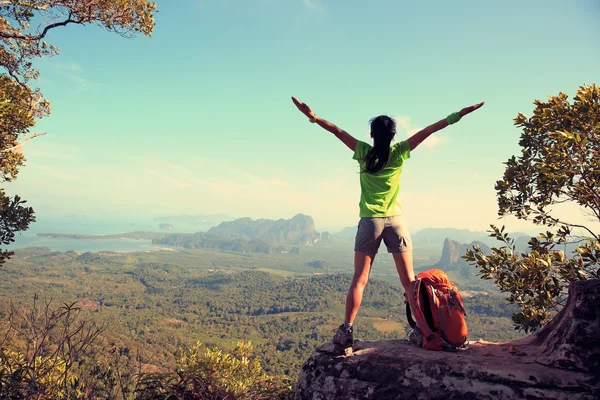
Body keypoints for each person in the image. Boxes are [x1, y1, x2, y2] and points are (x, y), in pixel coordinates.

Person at [291, 96, 485, 353]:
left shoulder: (363, 152)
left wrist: (313, 117)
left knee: (359, 280)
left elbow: (336, 130)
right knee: (409, 283)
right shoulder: (400, 151)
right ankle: (423, 331)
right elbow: (430, 130)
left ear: (371, 134)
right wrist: (459, 114)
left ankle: (346, 331)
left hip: (370, 222)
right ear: (393, 136)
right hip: (396, 222)